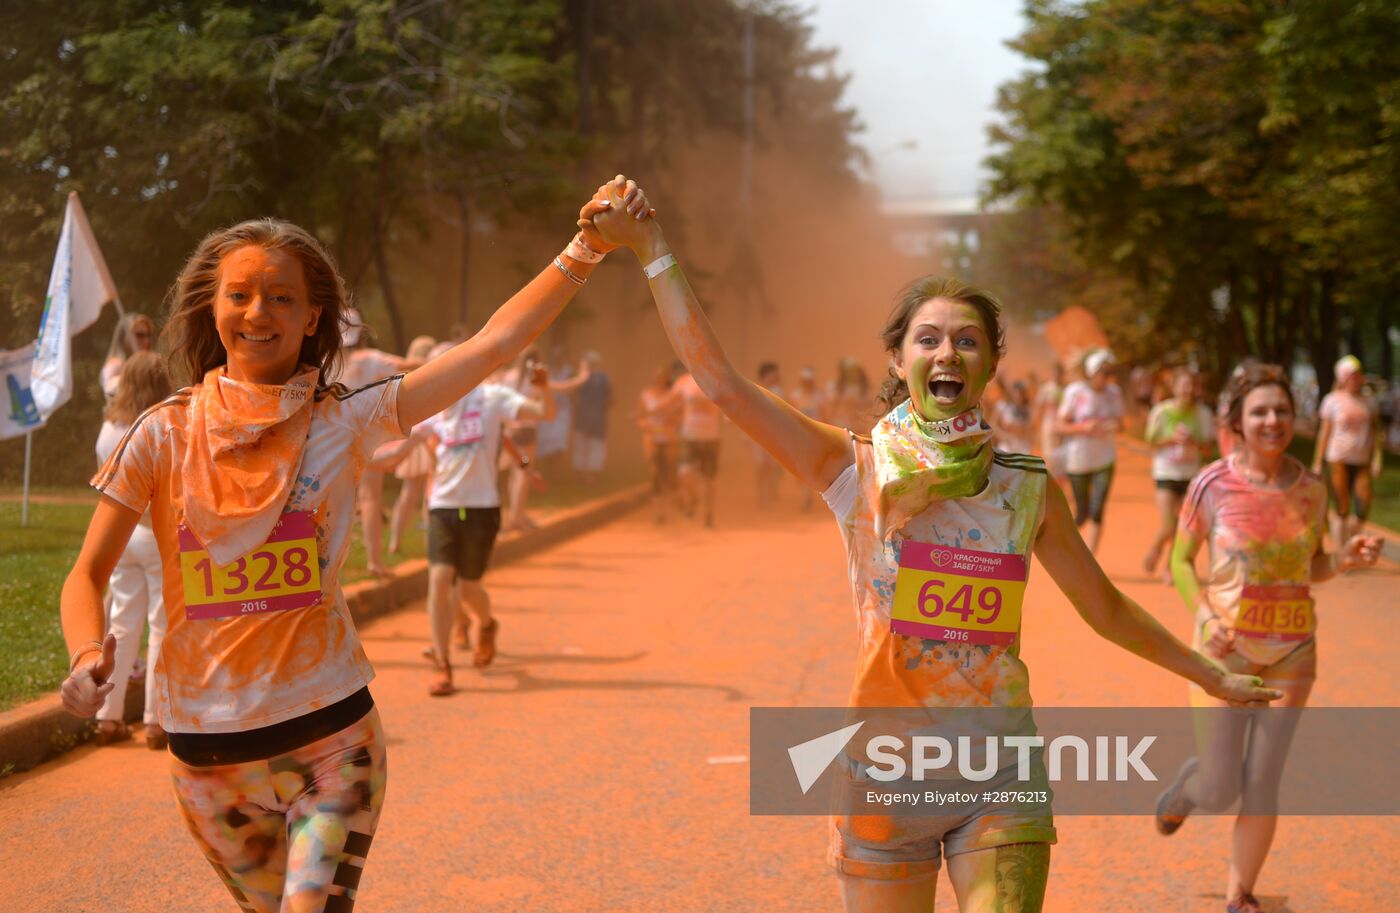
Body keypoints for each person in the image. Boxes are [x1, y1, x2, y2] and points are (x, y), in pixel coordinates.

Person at [587, 182, 1277, 913]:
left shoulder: (1026, 490)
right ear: (898, 357)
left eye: (967, 339)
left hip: (999, 771)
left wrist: (1211, 675)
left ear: (988, 364)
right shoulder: (853, 468)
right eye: (929, 338)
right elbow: (722, 387)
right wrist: (652, 249)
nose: (948, 350)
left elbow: (1104, 607)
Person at [59, 179, 644, 913]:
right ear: (214, 308)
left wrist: (588, 246)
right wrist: (87, 656)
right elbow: (86, 574)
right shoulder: (161, 435)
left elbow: (494, 342)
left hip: (331, 743)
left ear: (313, 318)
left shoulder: (349, 422)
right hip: (208, 765)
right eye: (240, 294)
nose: (258, 312)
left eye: (281, 297)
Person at [1156, 364, 1381, 913]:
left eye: (1281, 409)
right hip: (1224, 655)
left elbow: (1314, 566)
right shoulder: (1211, 483)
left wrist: (1343, 562)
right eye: (1259, 410)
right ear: (1236, 420)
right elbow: (1182, 561)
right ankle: (1190, 789)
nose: (1273, 419)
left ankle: (1241, 895)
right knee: (1219, 787)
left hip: (1293, 654)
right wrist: (1204, 615)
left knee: (1261, 780)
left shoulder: (1311, 490)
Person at [92, 350, 172, 749]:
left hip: (121, 534)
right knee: (161, 624)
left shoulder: (108, 428)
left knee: (121, 626)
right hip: (157, 532)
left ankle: (108, 717)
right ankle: (155, 720)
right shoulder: (165, 425)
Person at [339, 312, 418, 576]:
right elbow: (408, 364)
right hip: (366, 438)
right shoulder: (370, 359)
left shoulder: (327, 362)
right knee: (370, 498)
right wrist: (446, 358)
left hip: (332, 438)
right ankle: (374, 561)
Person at [1142, 368, 1215, 582]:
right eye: (1183, 385)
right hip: (1165, 472)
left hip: (1190, 475)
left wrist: (1195, 443)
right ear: (1174, 387)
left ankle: (1169, 567)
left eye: (1192, 385)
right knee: (1168, 524)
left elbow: (1209, 450)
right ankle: (1156, 547)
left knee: (1182, 525)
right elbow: (1150, 443)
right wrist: (1172, 439)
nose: (1188, 390)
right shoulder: (1161, 412)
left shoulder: (1203, 414)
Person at [1057, 348, 1125, 553]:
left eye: (1110, 372)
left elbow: (1121, 424)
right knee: (1082, 513)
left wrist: (1112, 426)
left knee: (1097, 509)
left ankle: (1090, 556)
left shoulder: (1114, 393)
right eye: (1103, 372)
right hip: (1078, 459)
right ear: (1091, 371)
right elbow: (1059, 425)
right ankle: (1062, 544)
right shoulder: (1075, 392)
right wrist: (1082, 428)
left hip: (1105, 458)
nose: (1107, 377)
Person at [1312, 355, 1382, 545]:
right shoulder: (1332, 401)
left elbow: (1376, 432)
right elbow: (1324, 434)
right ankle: (1341, 549)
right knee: (1342, 506)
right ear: (1343, 378)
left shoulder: (1369, 402)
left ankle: (1348, 541)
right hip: (1338, 458)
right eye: (1352, 375)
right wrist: (1317, 462)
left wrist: (1377, 457)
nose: (1356, 379)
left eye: (1358, 375)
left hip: (1362, 460)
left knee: (1362, 508)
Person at [387, 335, 438, 555]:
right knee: (430, 493)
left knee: (408, 494)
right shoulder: (429, 377)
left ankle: (395, 542)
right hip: (426, 438)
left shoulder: (402, 378)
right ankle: (431, 546)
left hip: (409, 438)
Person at [638, 362, 683, 523]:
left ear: (666, 379)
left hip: (669, 439)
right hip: (652, 439)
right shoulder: (646, 395)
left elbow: (680, 416)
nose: (659, 380)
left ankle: (673, 503)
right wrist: (644, 424)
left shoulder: (673, 395)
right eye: (656, 377)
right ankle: (659, 512)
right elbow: (641, 416)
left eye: (662, 377)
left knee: (669, 474)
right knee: (655, 474)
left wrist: (673, 420)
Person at [789, 365, 829, 511]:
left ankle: (808, 495)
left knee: (812, 466)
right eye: (805, 380)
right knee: (798, 467)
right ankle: (805, 493)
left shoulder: (819, 395)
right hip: (799, 435)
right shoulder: (796, 394)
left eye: (809, 381)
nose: (807, 383)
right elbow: (791, 413)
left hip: (814, 436)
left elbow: (824, 415)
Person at [571, 350, 613, 486]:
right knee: (594, 448)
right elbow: (610, 399)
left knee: (583, 447)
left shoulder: (582, 377)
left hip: (584, 417)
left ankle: (583, 476)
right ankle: (589, 477)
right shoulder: (605, 378)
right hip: (596, 418)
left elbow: (574, 396)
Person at [99, 312, 157, 400]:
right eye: (139, 335)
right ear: (124, 336)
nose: (146, 340)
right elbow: (110, 393)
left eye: (148, 335)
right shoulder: (116, 365)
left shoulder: (148, 364)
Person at [752, 361, 785, 507]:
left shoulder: (779, 392)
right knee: (760, 466)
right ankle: (761, 496)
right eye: (774, 372)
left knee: (773, 466)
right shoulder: (754, 389)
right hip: (758, 434)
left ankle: (772, 491)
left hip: (775, 434)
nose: (777, 375)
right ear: (766, 375)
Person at [1034, 362, 1068, 482]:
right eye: (1055, 373)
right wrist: (1036, 426)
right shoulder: (1046, 388)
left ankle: (1060, 483)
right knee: (1049, 454)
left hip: (1063, 425)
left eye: (1059, 374)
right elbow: (1039, 406)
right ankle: (1050, 483)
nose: (1056, 376)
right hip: (1048, 424)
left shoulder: (1066, 389)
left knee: (1061, 454)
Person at [828, 356, 873, 434]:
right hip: (841, 425)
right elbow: (831, 405)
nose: (852, 373)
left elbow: (870, 404)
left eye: (853, 370)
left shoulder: (864, 388)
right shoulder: (836, 387)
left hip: (858, 426)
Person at [991, 379, 1034, 454]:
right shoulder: (1004, 406)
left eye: (1021, 393)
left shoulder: (1027, 410)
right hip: (1006, 447)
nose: (1019, 396)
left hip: (1022, 448)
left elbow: (1029, 431)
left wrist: (1019, 429)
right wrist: (1003, 436)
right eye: (1017, 393)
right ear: (1012, 393)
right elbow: (993, 424)